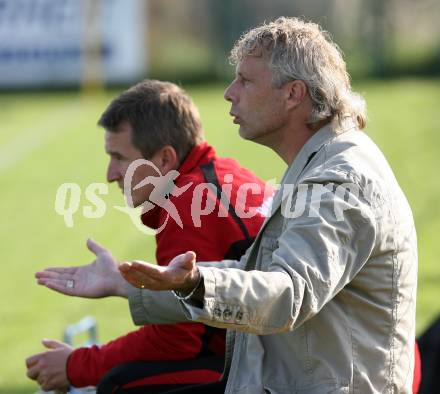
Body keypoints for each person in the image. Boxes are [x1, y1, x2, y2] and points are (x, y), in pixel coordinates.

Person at [35, 17, 418, 393]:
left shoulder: (340, 179)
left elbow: (288, 293)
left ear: (293, 94)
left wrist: (194, 281)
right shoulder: (322, 161)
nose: (229, 92)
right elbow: (263, 274)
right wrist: (127, 283)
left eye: (246, 80)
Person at [26, 80, 272, 393]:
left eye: (120, 158)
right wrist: (122, 281)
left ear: (164, 160)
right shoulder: (225, 174)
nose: (110, 174)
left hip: (265, 368)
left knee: (118, 384)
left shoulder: (188, 206)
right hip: (270, 352)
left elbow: (179, 340)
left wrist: (76, 365)